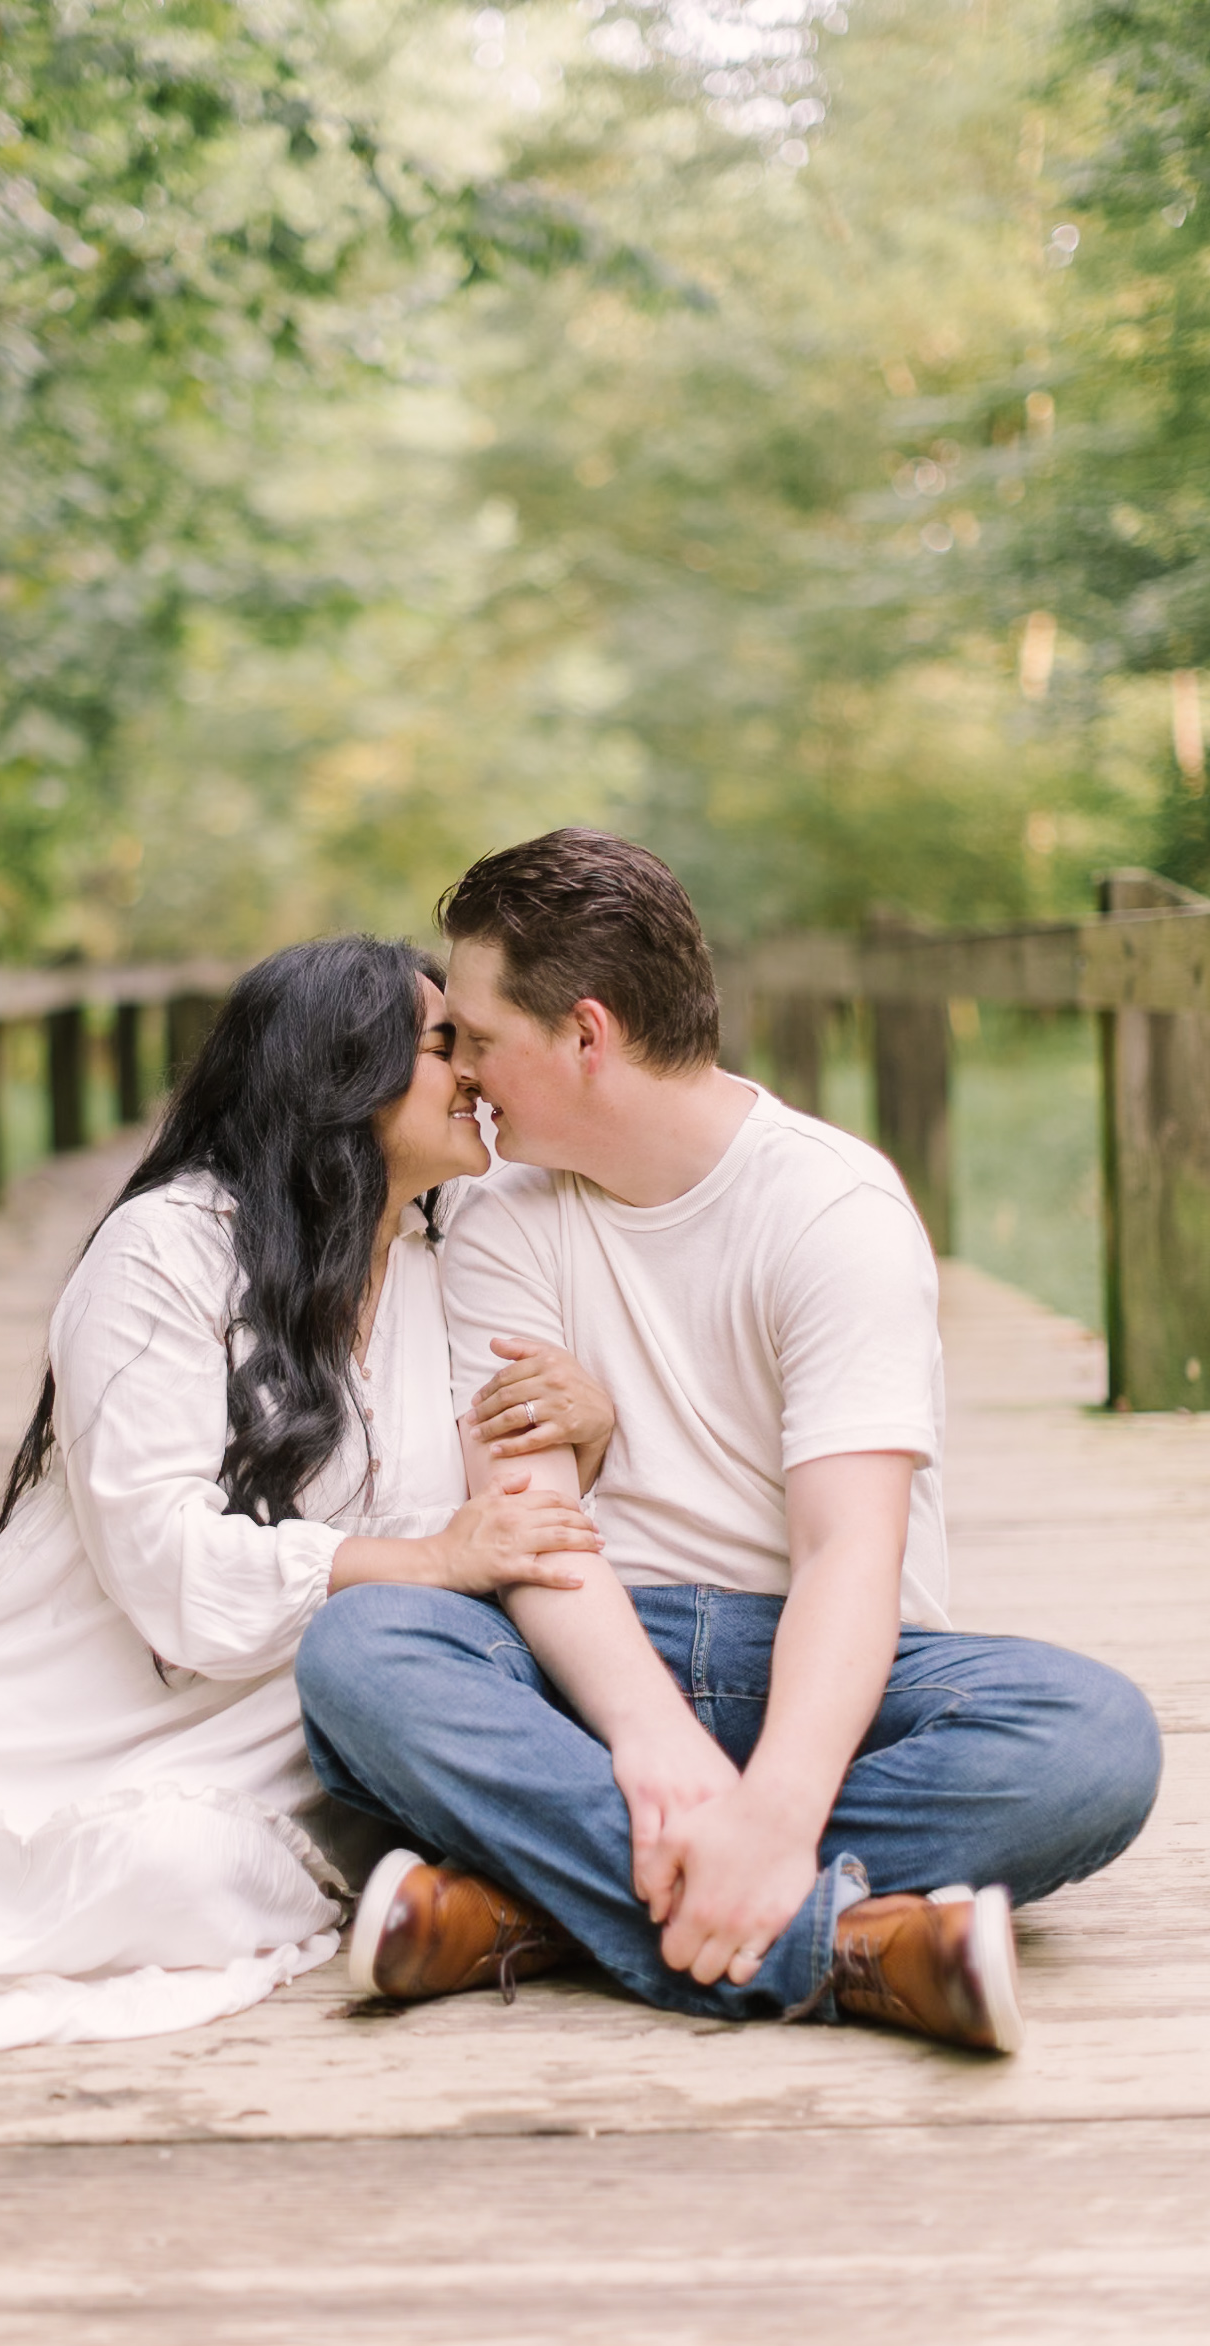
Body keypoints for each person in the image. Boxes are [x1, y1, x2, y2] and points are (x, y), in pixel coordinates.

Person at [0, 936, 605, 2054]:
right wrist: (423, 1561)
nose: (475, 1069)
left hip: (294, 1738)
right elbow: (163, 1563)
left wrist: (592, 1427)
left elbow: (506, 1510)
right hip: (91, 1693)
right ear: (340, 1077)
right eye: (444, 1045)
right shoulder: (167, 1252)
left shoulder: (459, 1249)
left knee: (176, 1869)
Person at [297, 830, 1164, 2053]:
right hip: (594, 1662)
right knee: (364, 1647)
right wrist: (654, 1747)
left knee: (1094, 1742)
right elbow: (537, 1531)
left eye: (481, 1038)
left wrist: (777, 1804)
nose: (465, 1072)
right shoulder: (498, 1214)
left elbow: (845, 1555)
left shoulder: (828, 1211)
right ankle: (850, 1947)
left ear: (585, 1034)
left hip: (817, 1666)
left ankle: (532, 1902)